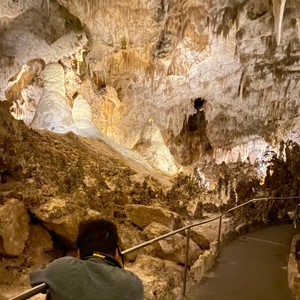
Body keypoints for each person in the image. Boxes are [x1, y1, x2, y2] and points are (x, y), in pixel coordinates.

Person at [30, 218, 144, 300]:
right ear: (116, 252)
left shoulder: (61, 267)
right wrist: (119, 265)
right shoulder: (133, 283)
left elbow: (34, 279)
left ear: (79, 253)